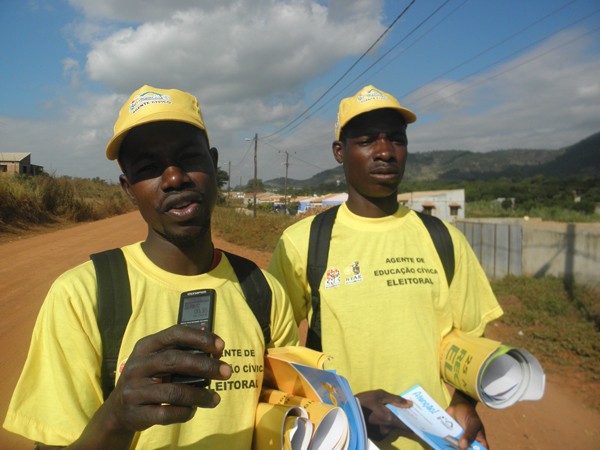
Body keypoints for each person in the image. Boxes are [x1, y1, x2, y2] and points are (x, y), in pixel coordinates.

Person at [4, 85, 298, 449]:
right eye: (148, 168)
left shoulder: (265, 292)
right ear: (128, 188)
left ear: (214, 163)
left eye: (188, 158)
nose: (174, 178)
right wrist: (116, 417)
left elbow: (287, 415)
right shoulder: (81, 296)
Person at [268, 85, 503, 450]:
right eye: (366, 141)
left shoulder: (443, 239)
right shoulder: (303, 242)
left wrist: (464, 402)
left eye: (396, 139)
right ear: (339, 152)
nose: (384, 151)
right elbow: (275, 352)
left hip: (433, 442)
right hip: (345, 439)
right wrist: (345, 409)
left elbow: (473, 338)